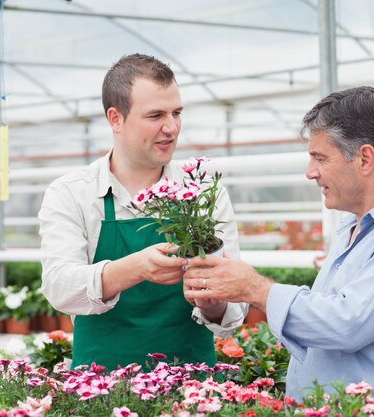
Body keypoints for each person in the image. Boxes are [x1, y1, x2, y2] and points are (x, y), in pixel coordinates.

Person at [184, 86, 374, 415]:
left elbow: (348, 324)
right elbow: (326, 323)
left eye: (320, 158)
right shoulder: (352, 225)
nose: (310, 172)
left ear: (364, 159)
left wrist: (254, 288)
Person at [38, 53, 246, 371]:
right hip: (101, 387)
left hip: (190, 387)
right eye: (155, 115)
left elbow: (235, 307)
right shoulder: (72, 193)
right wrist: (136, 268)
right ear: (115, 119)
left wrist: (214, 301)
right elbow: (59, 286)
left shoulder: (203, 191)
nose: (171, 127)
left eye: (177, 113)